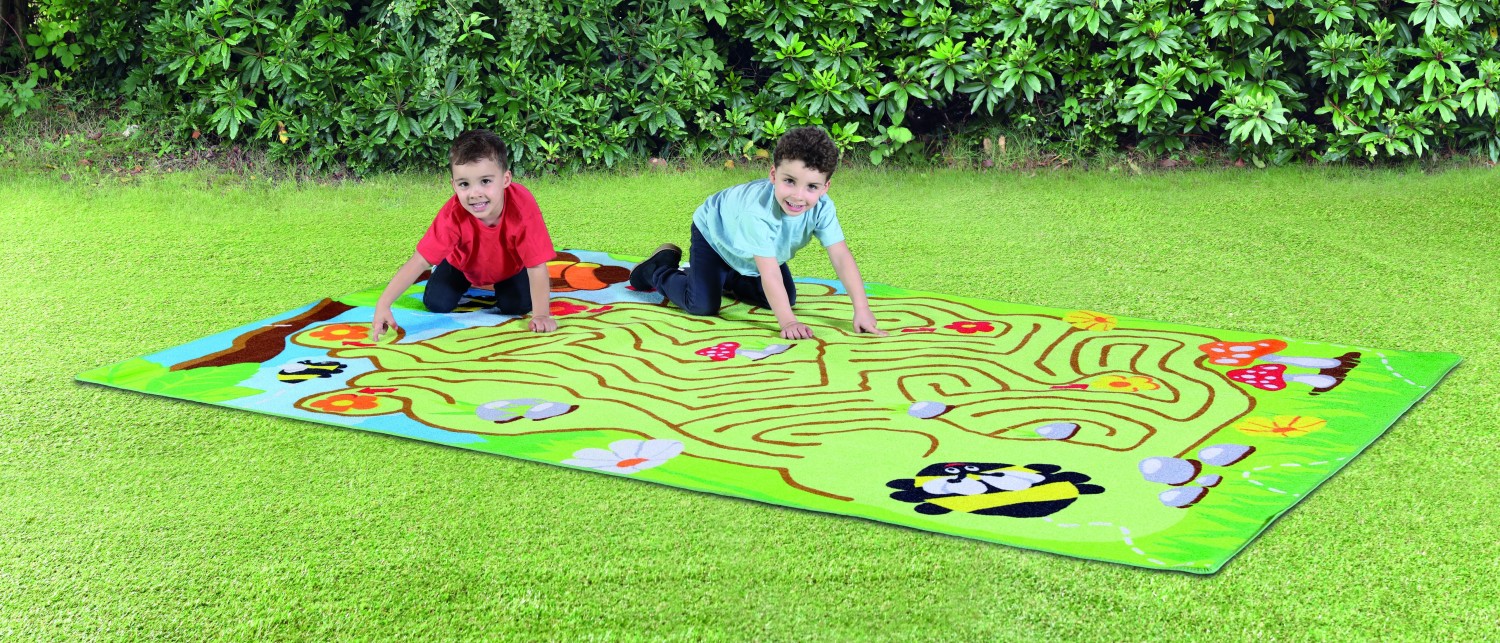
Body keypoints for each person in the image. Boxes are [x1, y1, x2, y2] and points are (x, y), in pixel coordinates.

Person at [629, 126, 886, 340]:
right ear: (773, 174)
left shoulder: (822, 209)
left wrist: (861, 308)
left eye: (811, 186)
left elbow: (841, 256)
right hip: (716, 235)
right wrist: (787, 323)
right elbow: (770, 271)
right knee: (703, 305)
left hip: (750, 251)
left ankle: (723, 277)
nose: (798, 196)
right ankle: (658, 269)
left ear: (825, 187)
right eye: (789, 181)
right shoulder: (758, 212)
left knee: (785, 296)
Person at [372, 130, 557, 340]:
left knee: (516, 306)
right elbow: (419, 261)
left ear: (505, 179)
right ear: (454, 185)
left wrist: (542, 315)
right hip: (461, 265)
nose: (475, 193)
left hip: (509, 268)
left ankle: (508, 289)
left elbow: (536, 265)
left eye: (485, 181)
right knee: (436, 303)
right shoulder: (453, 215)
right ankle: (442, 269)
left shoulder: (522, 206)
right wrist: (383, 304)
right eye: (464, 184)